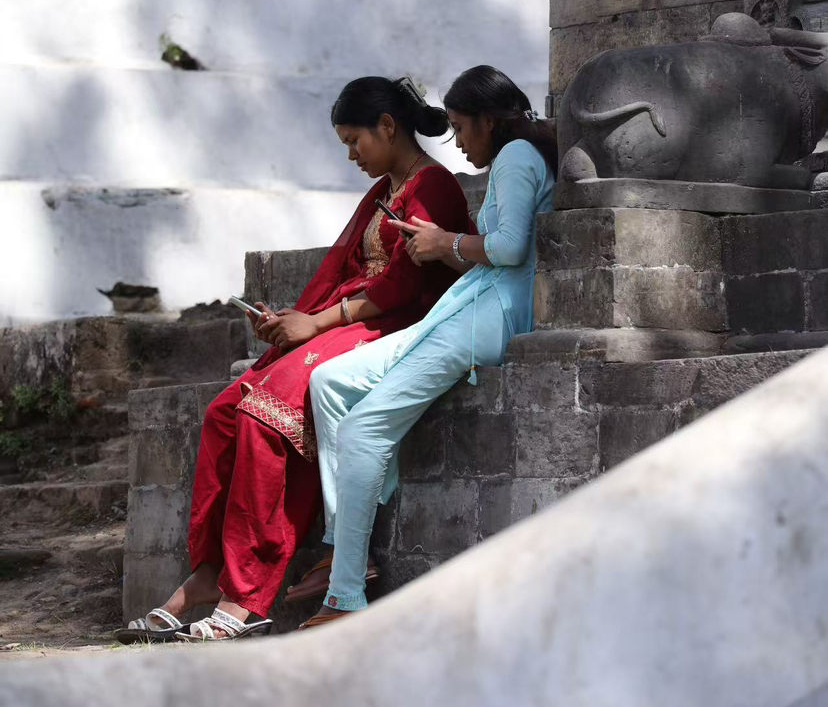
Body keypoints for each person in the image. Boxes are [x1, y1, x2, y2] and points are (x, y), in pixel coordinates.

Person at [116, 76, 474, 644]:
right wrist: (292, 321)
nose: (351, 155)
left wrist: (318, 323)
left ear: (387, 126)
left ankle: (246, 597)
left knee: (266, 415)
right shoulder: (385, 188)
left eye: (354, 140)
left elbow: (405, 286)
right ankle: (208, 572)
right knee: (223, 413)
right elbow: (342, 272)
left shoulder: (435, 185)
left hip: (395, 325)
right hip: (352, 319)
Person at [301, 65, 557, 628]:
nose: (457, 143)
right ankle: (347, 535)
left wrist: (447, 241)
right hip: (475, 301)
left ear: (489, 121)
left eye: (461, 128)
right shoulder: (515, 155)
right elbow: (495, 251)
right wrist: (442, 248)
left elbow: (512, 249)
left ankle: (344, 596)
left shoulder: (515, 157)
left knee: (362, 430)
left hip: (493, 314)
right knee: (330, 382)